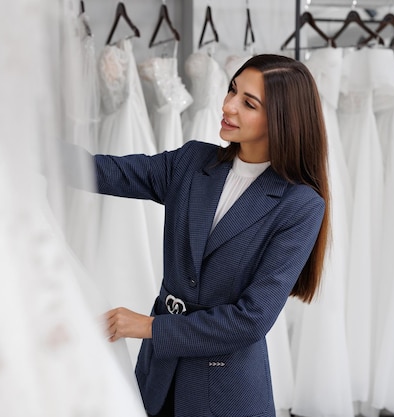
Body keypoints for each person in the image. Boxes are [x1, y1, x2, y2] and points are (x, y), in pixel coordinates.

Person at [63, 54, 330, 417]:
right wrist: (30, 149)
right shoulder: (191, 163)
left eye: (248, 103)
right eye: (232, 90)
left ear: (281, 120)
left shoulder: (300, 205)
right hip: (158, 376)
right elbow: (105, 172)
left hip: (223, 389)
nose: (228, 105)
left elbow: (251, 319)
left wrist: (150, 326)